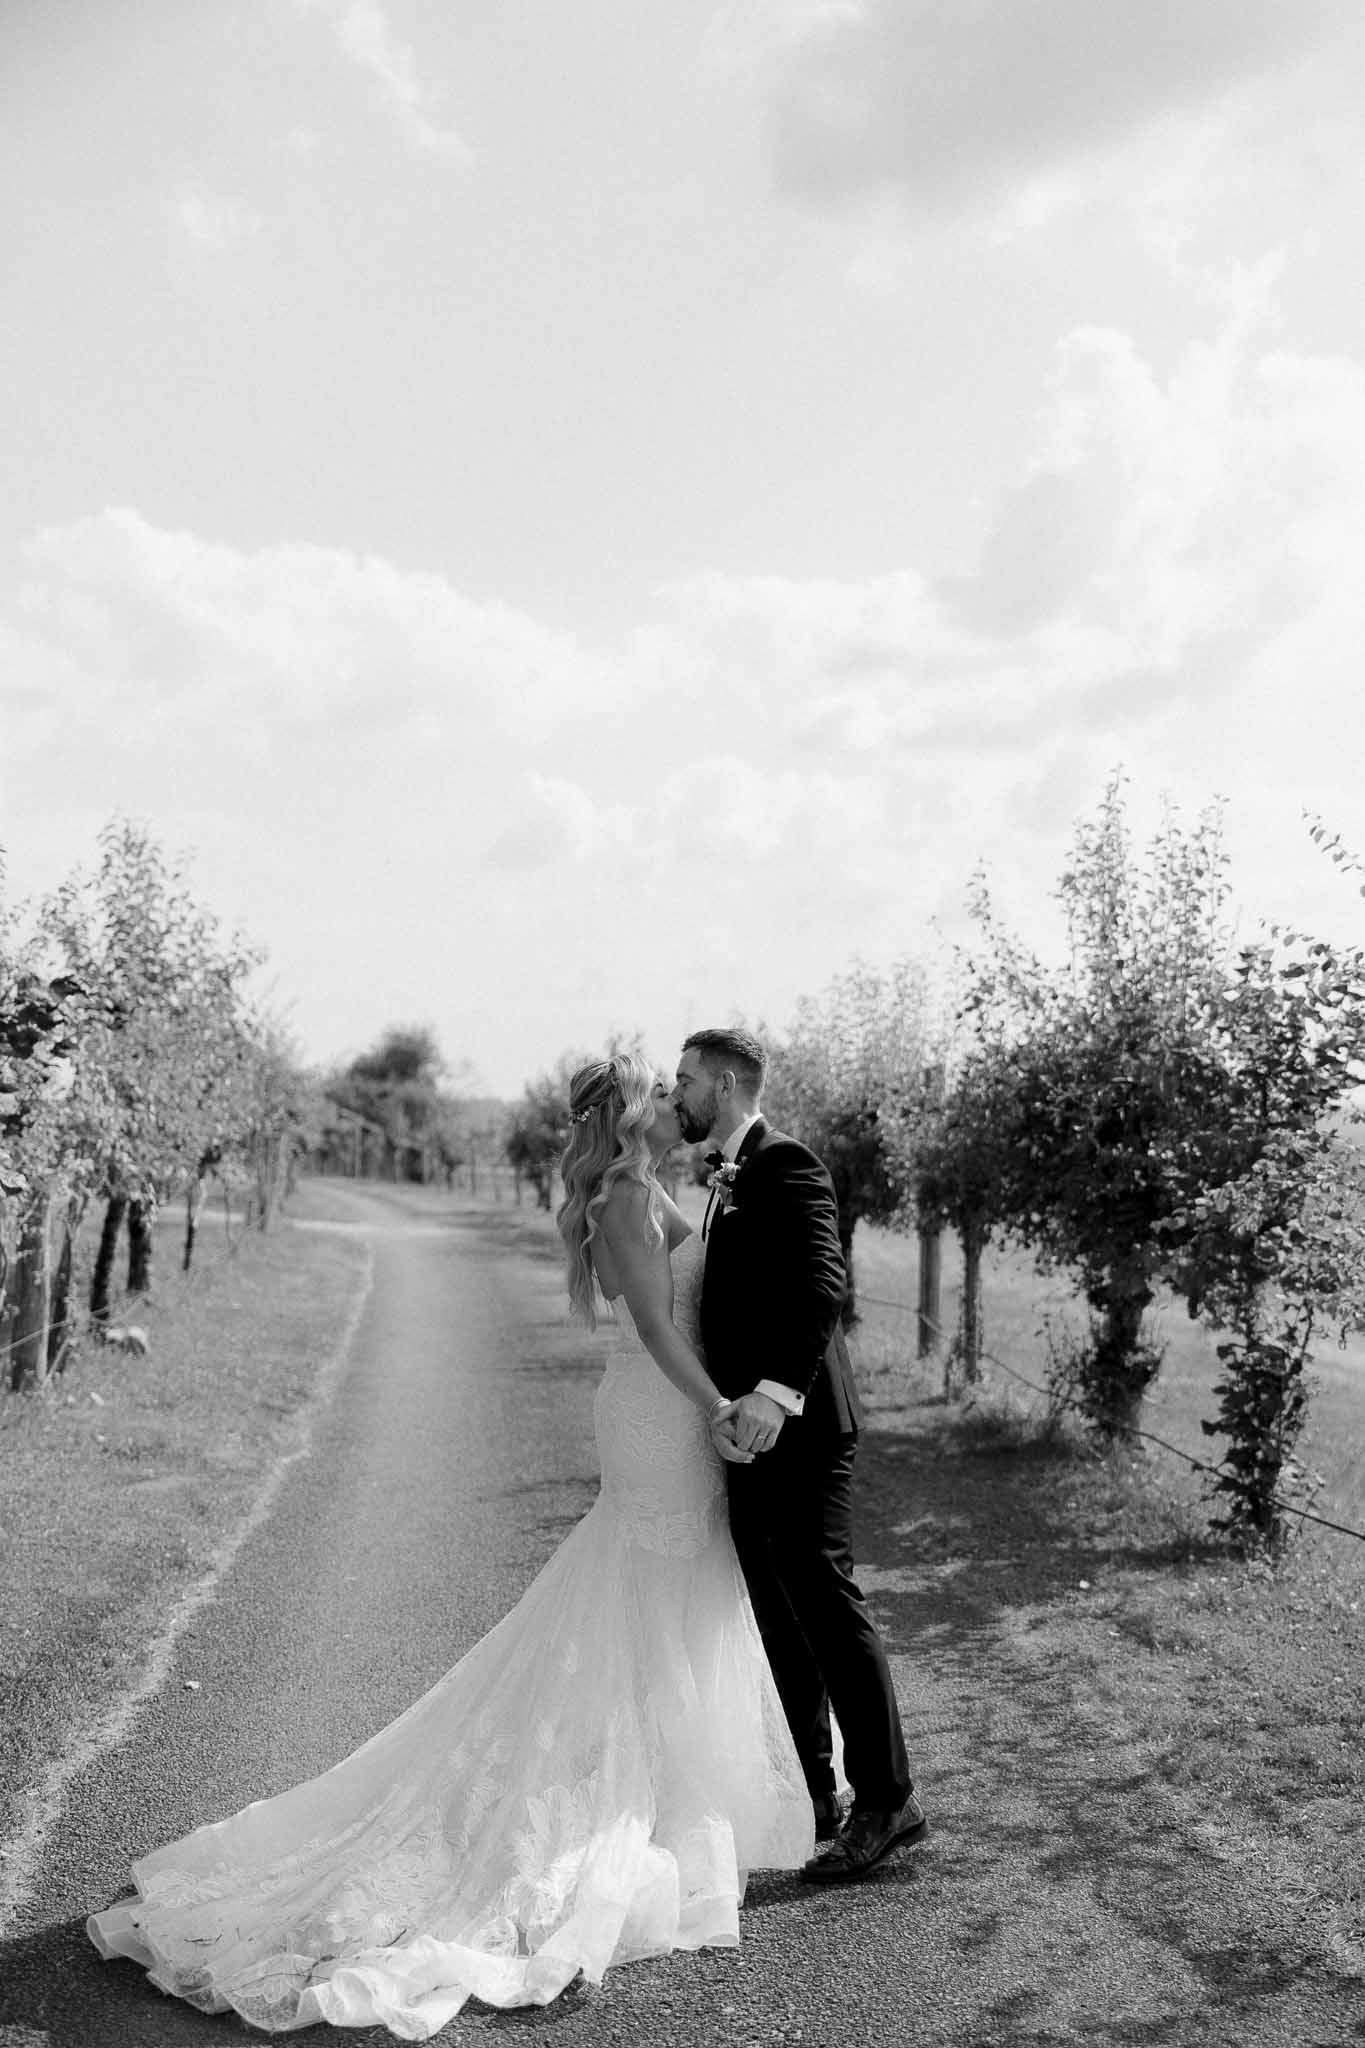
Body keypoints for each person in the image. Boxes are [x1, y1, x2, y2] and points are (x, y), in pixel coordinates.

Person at [87, 1055, 811, 2037]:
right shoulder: (624, 1199)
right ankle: (629, 1791)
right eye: (656, 1089)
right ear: (623, 1114)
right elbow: (653, 1324)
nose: (670, 1100)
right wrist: (722, 1403)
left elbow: (705, 1272)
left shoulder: (639, 1190)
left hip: (659, 1416)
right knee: (652, 1585)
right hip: (662, 1416)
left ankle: (666, 1785)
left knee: (662, 1594)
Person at [672, 1026, 926, 1883]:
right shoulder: (724, 1174)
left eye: (685, 1079)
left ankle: (886, 1799)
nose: (676, 1094)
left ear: (725, 1084)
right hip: (747, 1433)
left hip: (801, 1423)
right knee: (778, 1615)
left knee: (825, 1602)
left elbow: (822, 1286)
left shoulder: (787, 1164)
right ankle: (816, 1793)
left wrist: (774, 1394)